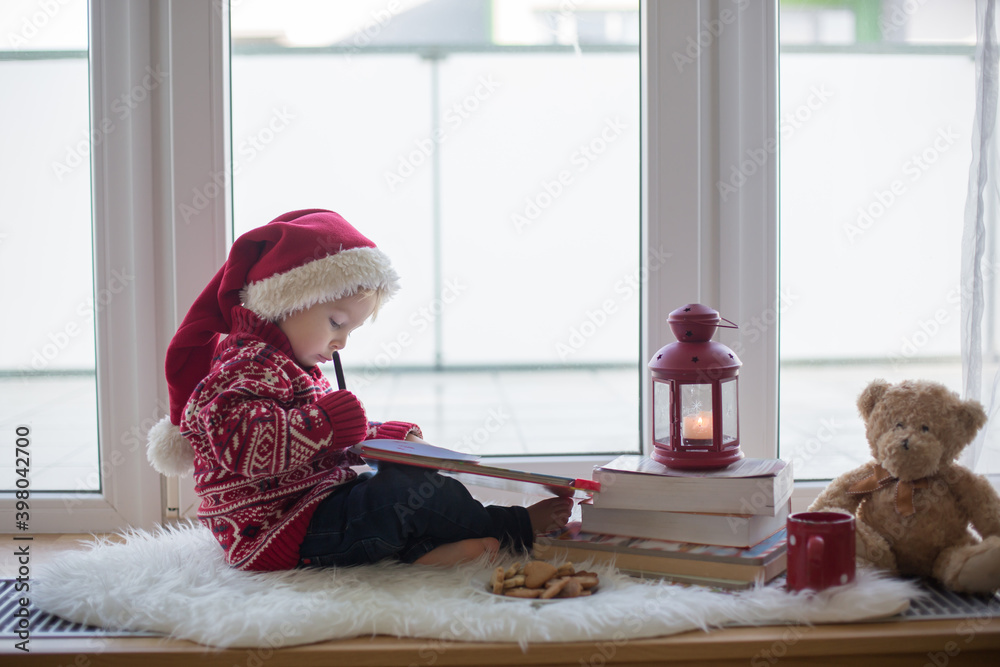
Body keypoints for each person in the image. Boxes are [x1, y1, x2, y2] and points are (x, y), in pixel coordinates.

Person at [146, 208, 571, 571]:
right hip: (275, 529)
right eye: (336, 322)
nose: (341, 342)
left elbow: (326, 437)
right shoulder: (242, 366)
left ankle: (425, 553)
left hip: (311, 503)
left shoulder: (287, 363)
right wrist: (328, 423)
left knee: (406, 481)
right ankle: (512, 527)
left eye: (351, 329)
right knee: (399, 498)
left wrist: (385, 437)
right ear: (284, 302)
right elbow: (242, 443)